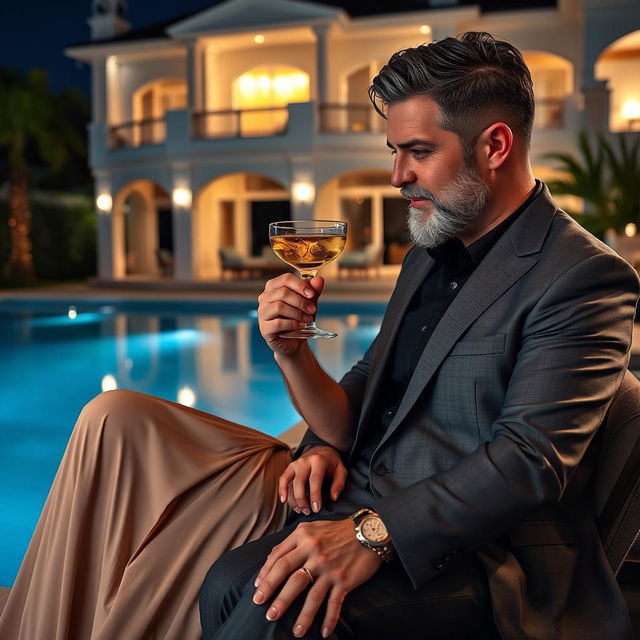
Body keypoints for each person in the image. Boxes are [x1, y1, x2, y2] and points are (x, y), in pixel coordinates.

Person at [198, 32, 640, 640]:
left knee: (279, 618)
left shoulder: (585, 275)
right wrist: (292, 358)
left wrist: (373, 534)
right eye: (394, 150)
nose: (397, 174)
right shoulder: (428, 253)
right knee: (225, 581)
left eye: (417, 151)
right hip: (362, 504)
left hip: (488, 558)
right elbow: (367, 391)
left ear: (496, 146)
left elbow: (529, 463)